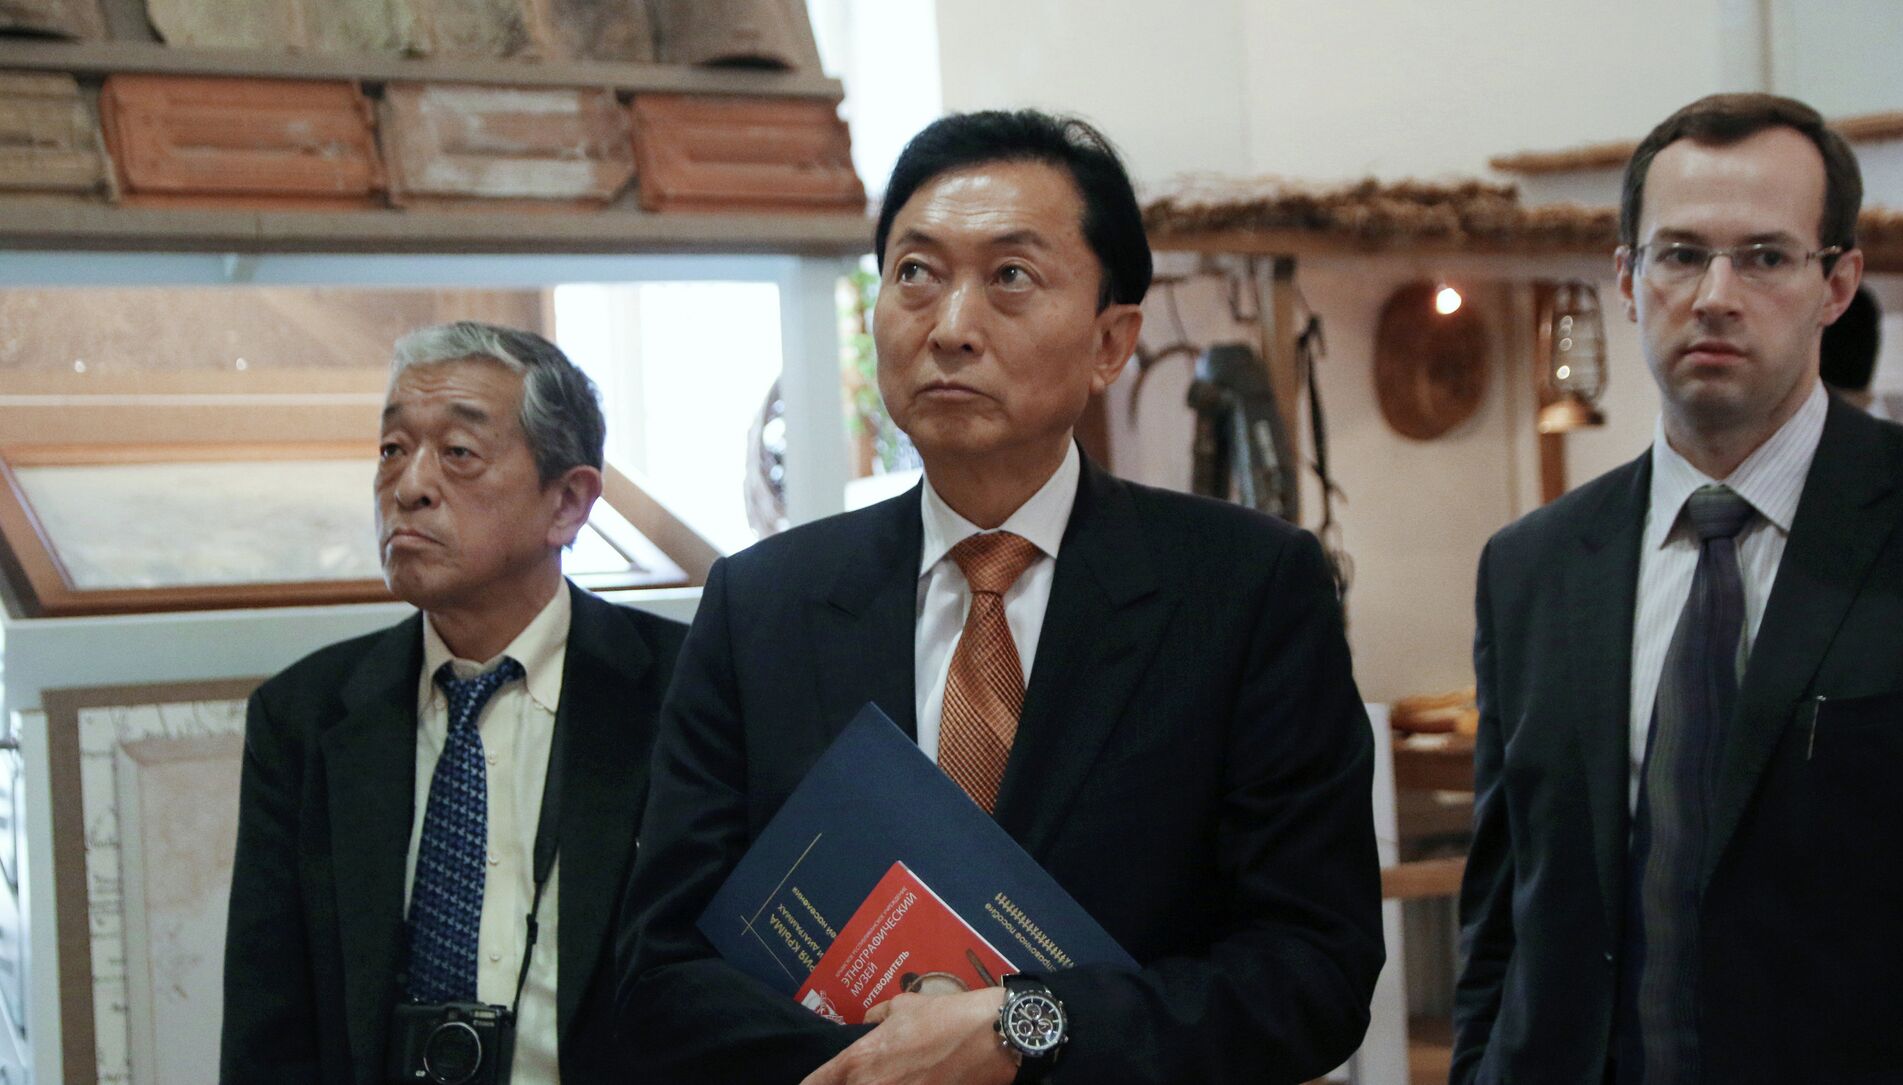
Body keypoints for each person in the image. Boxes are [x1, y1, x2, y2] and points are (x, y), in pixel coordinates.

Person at [616, 109, 1383, 1085]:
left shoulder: (1245, 589)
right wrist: (885, 1064)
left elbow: (1313, 969)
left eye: (1011, 276)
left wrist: (1026, 1030)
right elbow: (660, 966)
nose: (950, 326)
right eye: (915, 273)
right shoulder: (761, 603)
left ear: (1111, 341)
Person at [1454, 93, 1903, 1085]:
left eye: (1765, 257)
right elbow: (1503, 903)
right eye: (1680, 254)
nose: (1715, 294)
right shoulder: (1533, 565)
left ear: (1837, 284)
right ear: (1628, 279)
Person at [221, 322, 686, 1084]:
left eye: (459, 452)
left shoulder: (682, 691)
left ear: (568, 501)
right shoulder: (302, 717)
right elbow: (266, 1037)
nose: (409, 486)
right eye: (392, 449)